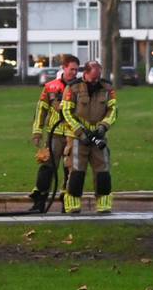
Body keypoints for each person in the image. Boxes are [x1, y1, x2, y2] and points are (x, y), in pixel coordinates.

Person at [61, 60, 117, 214]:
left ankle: (104, 203)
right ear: (85, 73)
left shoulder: (107, 88)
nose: (96, 81)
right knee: (77, 171)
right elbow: (66, 112)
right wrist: (80, 131)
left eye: (98, 77)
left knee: (103, 170)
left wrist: (103, 126)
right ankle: (73, 204)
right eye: (93, 78)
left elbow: (113, 110)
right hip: (78, 137)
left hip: (99, 136)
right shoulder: (73, 88)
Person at [28, 54, 80, 213]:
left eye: (77, 70)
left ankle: (67, 202)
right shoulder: (50, 87)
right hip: (54, 134)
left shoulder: (81, 88)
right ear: (63, 68)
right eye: (71, 69)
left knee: (70, 169)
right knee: (47, 168)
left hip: (73, 135)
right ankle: (39, 202)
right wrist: (37, 132)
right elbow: (41, 110)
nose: (74, 73)